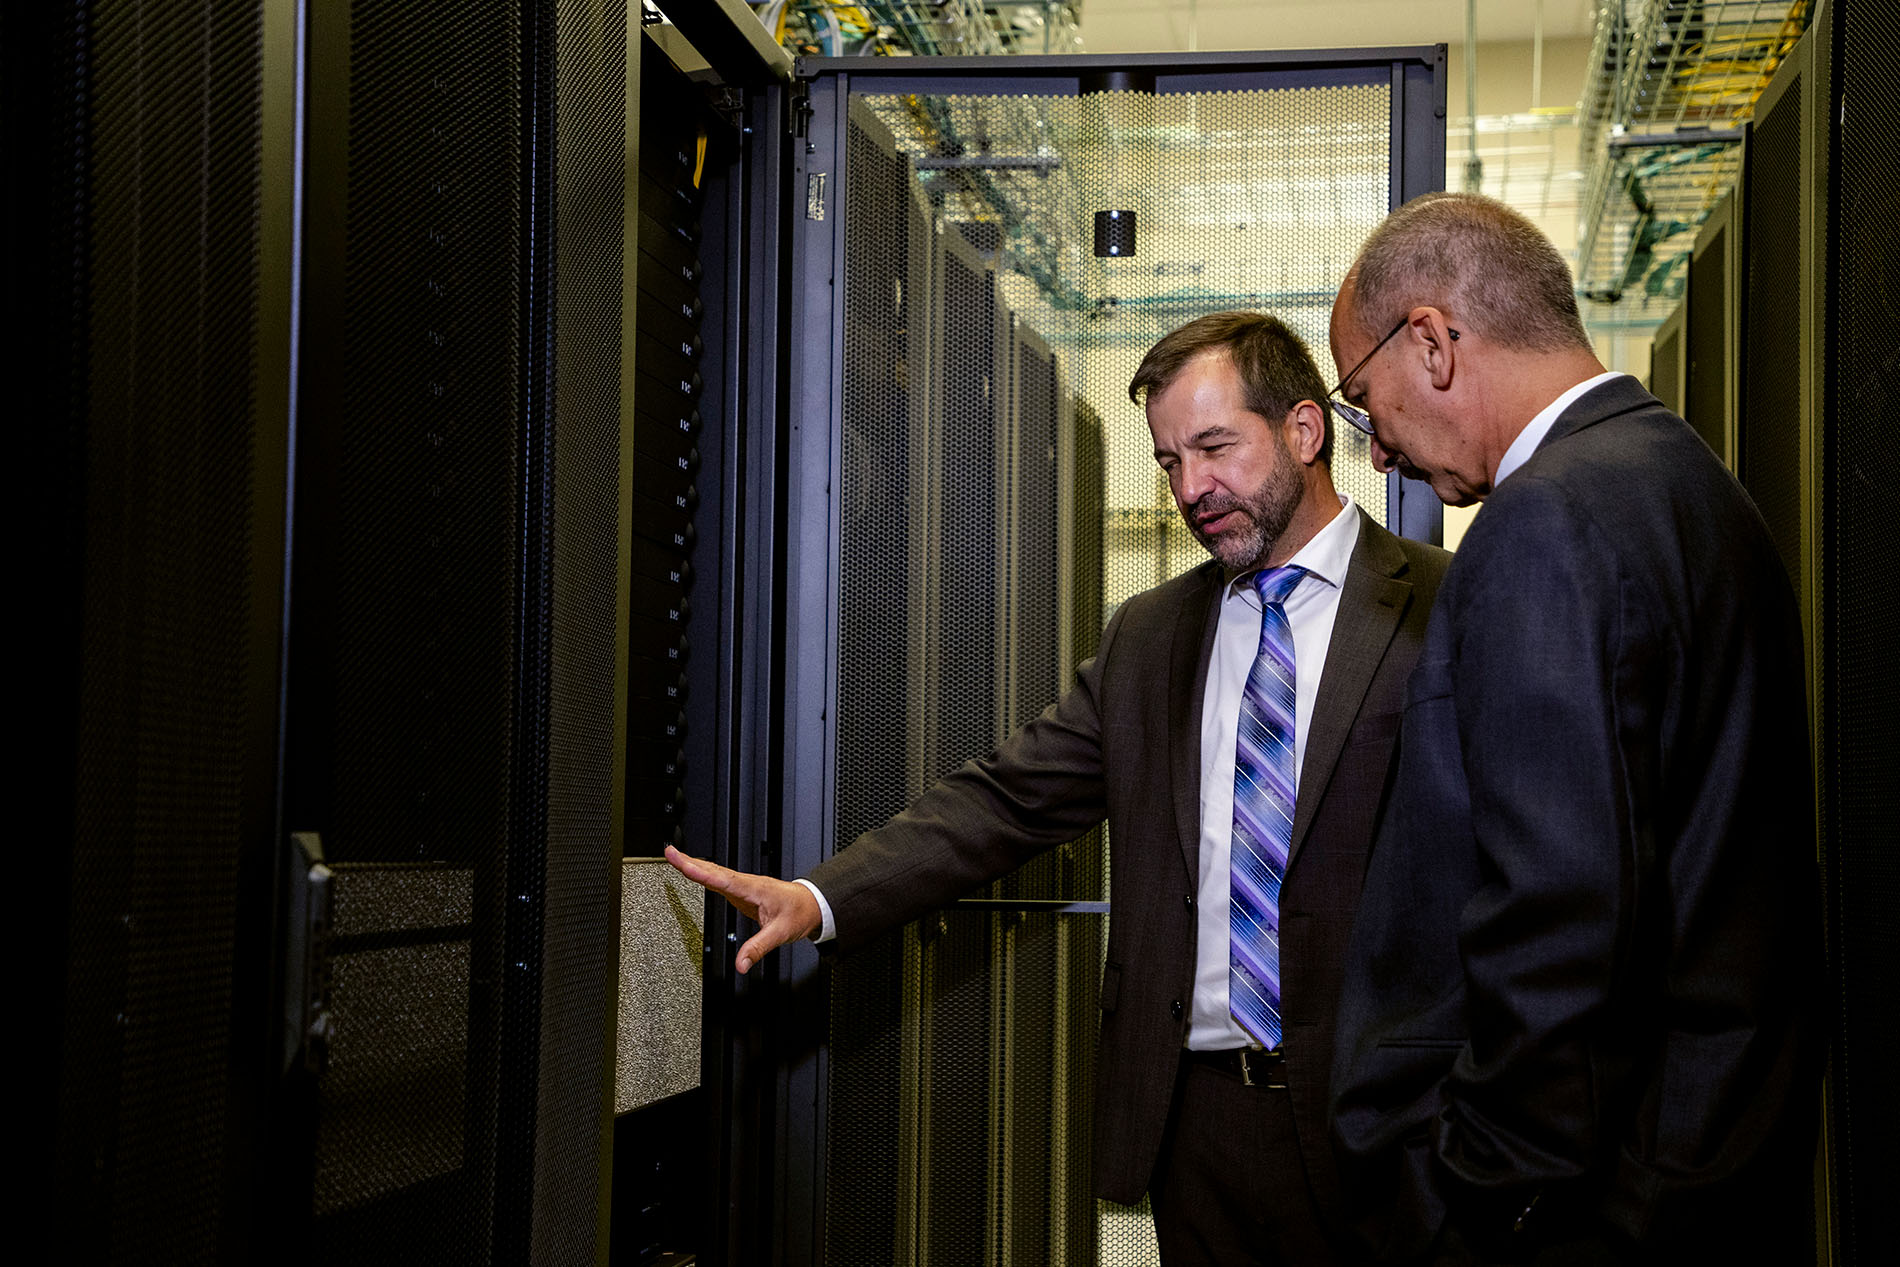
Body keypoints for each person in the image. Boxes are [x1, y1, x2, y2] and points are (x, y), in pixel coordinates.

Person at [668, 311, 1449, 1265]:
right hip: (1192, 1122)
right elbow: (1005, 799)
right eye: (1168, 463)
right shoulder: (1151, 636)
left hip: (1385, 1122)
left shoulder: (1439, 608)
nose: (1191, 490)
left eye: (1214, 448)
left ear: (1303, 428)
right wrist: (820, 895)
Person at [1324, 192, 1823, 1265]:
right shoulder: (1691, 481)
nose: (1378, 456)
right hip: (1715, 1162)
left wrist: (1478, 1196)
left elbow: (1558, 917)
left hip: (1594, 1206)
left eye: (1365, 405)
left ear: (1431, 341)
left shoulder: (1540, 524)